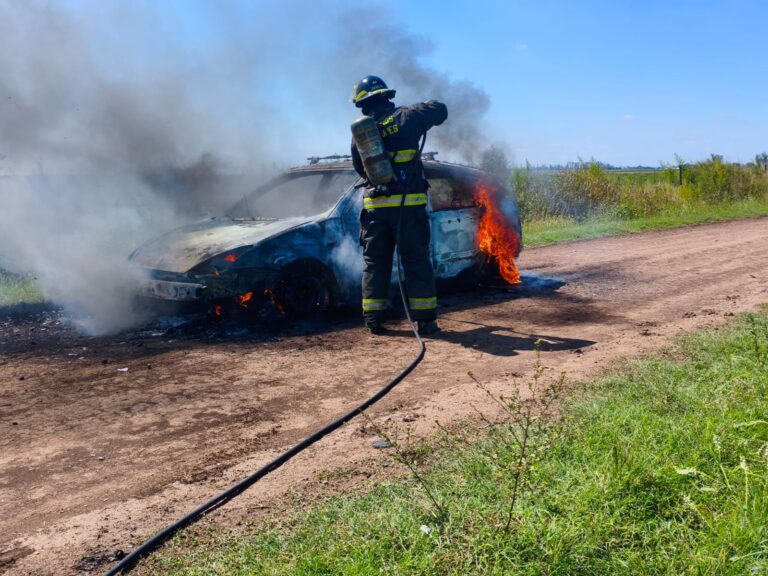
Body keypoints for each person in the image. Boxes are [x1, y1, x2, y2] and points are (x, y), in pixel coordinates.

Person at [350, 75, 447, 335]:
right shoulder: (406, 116)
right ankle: (425, 321)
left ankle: (373, 319)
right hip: (408, 207)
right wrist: (422, 105)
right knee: (415, 261)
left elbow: (360, 168)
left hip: (375, 210)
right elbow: (440, 109)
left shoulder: (360, 132)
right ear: (386, 95)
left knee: (374, 263)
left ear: (362, 104)